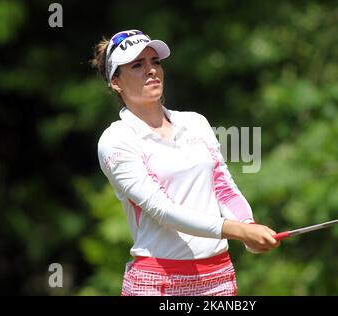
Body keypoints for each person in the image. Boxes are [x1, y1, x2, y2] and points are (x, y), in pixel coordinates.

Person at [91, 29, 280, 296]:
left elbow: (223, 186)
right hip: (158, 283)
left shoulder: (195, 122)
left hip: (219, 277)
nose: (151, 70)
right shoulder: (116, 140)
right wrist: (236, 231)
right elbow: (163, 209)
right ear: (116, 82)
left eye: (155, 62)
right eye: (137, 65)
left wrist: (248, 226)